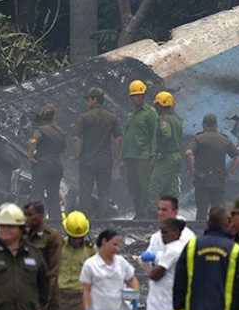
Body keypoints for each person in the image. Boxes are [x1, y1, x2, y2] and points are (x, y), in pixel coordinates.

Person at [24, 201, 63, 310]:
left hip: (46, 299)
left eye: (31, 215)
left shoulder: (52, 238)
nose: (27, 219)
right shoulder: (22, 236)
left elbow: (54, 272)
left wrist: (44, 299)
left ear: (41, 215)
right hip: (26, 297)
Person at [73, 87, 123, 219]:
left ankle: (84, 219)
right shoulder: (112, 118)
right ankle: (103, 219)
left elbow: (76, 138)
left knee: (85, 191)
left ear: (95, 99)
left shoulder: (84, 117)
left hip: (87, 160)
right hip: (105, 161)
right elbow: (119, 138)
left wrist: (77, 155)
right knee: (104, 192)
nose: (87, 102)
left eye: (88, 99)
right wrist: (116, 157)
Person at [186, 113, 239, 222]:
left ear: (204, 125)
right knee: (218, 211)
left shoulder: (199, 139)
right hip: (219, 179)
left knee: (202, 210)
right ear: (216, 125)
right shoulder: (224, 140)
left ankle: (201, 233)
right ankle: (217, 234)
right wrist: (230, 172)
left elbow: (188, 153)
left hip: (202, 179)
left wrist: (192, 169)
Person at [58, 211, 95, 310]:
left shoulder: (91, 250)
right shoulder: (59, 247)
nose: (76, 240)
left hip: (81, 299)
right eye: (73, 237)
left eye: (79, 237)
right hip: (61, 298)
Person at [141, 217, 188, 310]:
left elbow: (155, 274)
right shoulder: (176, 248)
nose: (162, 236)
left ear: (175, 232)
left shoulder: (173, 250)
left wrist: (152, 264)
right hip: (168, 305)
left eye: (165, 232)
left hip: (165, 307)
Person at [120, 80, 158, 220]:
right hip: (130, 157)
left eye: (138, 95)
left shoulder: (150, 114)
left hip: (143, 156)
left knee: (145, 186)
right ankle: (139, 213)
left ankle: (148, 214)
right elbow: (127, 138)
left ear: (144, 96)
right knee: (133, 187)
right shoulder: (131, 116)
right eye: (133, 96)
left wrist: (154, 155)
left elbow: (155, 134)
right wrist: (123, 159)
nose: (136, 98)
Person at [27, 105, 67, 220]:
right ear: (54, 117)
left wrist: (30, 157)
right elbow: (64, 149)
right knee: (53, 196)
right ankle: (56, 222)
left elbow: (33, 141)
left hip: (42, 165)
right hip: (56, 166)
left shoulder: (41, 130)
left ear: (43, 117)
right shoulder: (61, 132)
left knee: (37, 195)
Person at [148, 91, 184, 202]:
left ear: (160, 105)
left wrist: (160, 153)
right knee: (171, 189)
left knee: (154, 186)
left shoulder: (163, 119)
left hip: (167, 157)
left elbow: (166, 135)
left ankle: (153, 215)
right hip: (177, 156)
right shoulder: (177, 119)